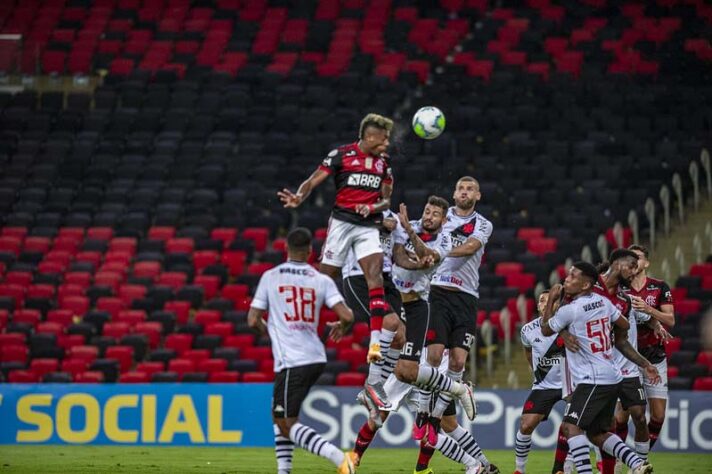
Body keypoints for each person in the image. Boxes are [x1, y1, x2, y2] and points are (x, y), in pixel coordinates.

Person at [278, 113, 395, 411]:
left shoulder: (384, 165)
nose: (387, 143)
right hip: (341, 224)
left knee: (375, 277)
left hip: (368, 226)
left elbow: (385, 202)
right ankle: (312, 335)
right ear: (369, 137)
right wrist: (299, 198)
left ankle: (375, 344)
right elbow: (313, 180)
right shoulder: (341, 155)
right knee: (324, 281)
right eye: (383, 138)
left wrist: (371, 206)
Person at [247, 228, 356, 474]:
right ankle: (283, 471)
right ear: (310, 252)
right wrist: (342, 327)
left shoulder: (271, 276)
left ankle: (340, 459)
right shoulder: (321, 280)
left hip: (292, 360)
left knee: (286, 423)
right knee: (281, 416)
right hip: (315, 357)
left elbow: (252, 319)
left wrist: (270, 331)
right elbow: (347, 315)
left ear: (286, 248)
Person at [540, 262, 660, 474]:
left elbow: (546, 329)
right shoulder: (603, 302)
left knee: (570, 427)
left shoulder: (570, 310)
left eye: (573, 276)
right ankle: (636, 463)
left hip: (592, 380)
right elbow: (624, 323)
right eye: (568, 274)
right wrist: (605, 333)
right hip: (611, 377)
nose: (567, 279)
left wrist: (551, 299)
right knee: (597, 434)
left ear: (586, 284)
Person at [398, 176, 492, 441]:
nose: (464, 192)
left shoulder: (483, 224)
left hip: (466, 297)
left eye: (470, 189)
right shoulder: (441, 216)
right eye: (461, 188)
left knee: (459, 361)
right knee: (435, 356)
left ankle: (436, 416)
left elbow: (471, 247)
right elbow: (418, 231)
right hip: (436, 292)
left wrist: (439, 252)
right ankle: (424, 413)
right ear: (454, 194)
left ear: (478, 195)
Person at [594, 249, 666, 474]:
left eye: (637, 267)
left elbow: (647, 317)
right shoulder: (592, 293)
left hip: (628, 370)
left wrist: (656, 325)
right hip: (602, 368)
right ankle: (594, 464)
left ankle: (640, 464)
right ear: (618, 265)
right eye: (632, 266)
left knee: (639, 417)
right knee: (603, 423)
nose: (634, 271)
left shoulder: (627, 300)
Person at [618, 244, 675, 453]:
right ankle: (617, 458)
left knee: (658, 416)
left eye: (638, 258)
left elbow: (670, 319)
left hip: (654, 356)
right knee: (621, 416)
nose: (634, 261)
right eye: (630, 258)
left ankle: (638, 457)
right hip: (627, 357)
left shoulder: (659, 287)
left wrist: (649, 310)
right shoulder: (620, 289)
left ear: (646, 263)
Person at [342, 210, 405, 391]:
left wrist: (420, 262)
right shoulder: (355, 209)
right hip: (359, 276)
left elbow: (399, 257)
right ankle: (373, 384)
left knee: (400, 338)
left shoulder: (396, 219)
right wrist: (379, 223)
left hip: (386, 279)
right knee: (391, 322)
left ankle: (377, 392)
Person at [514, 290, 566, 474]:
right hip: (544, 384)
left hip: (570, 384)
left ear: (558, 304)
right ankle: (519, 470)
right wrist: (537, 371)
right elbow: (528, 352)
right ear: (537, 306)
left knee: (576, 427)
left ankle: (565, 468)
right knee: (526, 424)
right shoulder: (527, 330)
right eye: (541, 300)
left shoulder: (567, 324)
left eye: (549, 300)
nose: (545, 303)